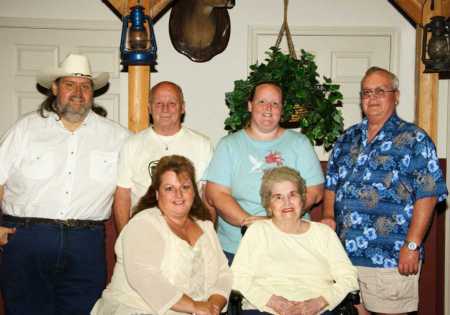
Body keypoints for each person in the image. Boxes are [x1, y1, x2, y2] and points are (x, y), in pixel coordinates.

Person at [0, 53, 130, 315]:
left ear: (92, 92)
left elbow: (135, 190)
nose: (78, 92)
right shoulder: (25, 130)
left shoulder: (117, 137)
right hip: (26, 241)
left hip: (86, 244)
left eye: (85, 86)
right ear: (55, 88)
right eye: (70, 84)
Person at [322, 67, 448, 315]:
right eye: (367, 92)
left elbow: (429, 194)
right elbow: (331, 185)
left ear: (396, 96)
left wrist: (412, 246)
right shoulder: (347, 138)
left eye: (381, 91)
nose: (373, 97)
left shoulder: (414, 139)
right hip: (345, 259)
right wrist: (328, 217)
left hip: (391, 257)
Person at [91, 155, 232, 315]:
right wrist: (194, 306)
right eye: (169, 188)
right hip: (137, 310)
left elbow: (223, 273)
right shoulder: (144, 224)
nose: (178, 194)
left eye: (185, 187)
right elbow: (145, 277)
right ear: (157, 194)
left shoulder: (206, 227)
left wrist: (213, 305)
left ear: (194, 192)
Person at [205, 81, 324, 262]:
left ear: (281, 109)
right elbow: (216, 194)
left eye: (275, 103)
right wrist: (252, 223)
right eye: (262, 101)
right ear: (250, 105)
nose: (269, 108)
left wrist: (282, 219)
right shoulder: (229, 145)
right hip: (238, 247)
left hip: (292, 243)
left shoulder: (300, 143)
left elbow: (315, 192)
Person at [231, 166, 358, 315]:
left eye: (293, 195)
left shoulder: (324, 233)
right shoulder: (257, 231)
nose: (287, 203)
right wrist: (273, 302)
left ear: (302, 199)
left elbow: (348, 277)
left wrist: (320, 302)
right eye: (278, 197)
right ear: (269, 205)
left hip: (318, 309)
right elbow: (237, 277)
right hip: (266, 309)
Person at [114, 81, 214, 232]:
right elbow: (122, 196)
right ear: (149, 108)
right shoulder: (131, 145)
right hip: (144, 230)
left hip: (189, 231)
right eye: (159, 103)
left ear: (183, 107)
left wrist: (207, 237)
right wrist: (124, 238)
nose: (165, 109)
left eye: (172, 103)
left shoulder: (202, 144)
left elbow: (208, 197)